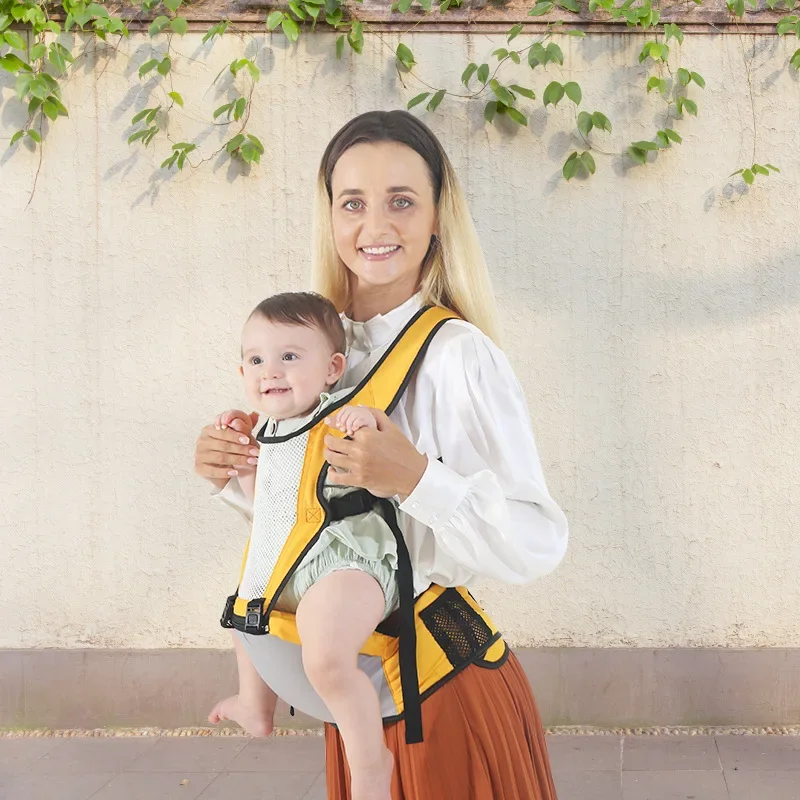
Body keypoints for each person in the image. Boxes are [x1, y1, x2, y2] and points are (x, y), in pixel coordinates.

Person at [195, 109, 569, 799]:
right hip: (361, 708)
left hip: (441, 702)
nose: (376, 226)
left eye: (402, 201)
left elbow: (538, 541)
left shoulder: (458, 356)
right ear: (330, 217)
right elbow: (326, 528)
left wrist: (421, 479)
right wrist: (238, 468)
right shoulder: (316, 351)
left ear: (436, 217)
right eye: (353, 203)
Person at [208, 291, 401, 799]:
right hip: (293, 557)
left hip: (346, 559)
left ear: (333, 368)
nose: (270, 370)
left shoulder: (339, 412)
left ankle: (371, 763)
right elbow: (267, 502)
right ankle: (256, 703)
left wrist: (366, 423)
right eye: (256, 359)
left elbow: (380, 442)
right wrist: (243, 459)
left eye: (289, 356)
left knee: (327, 659)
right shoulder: (268, 430)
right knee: (243, 615)